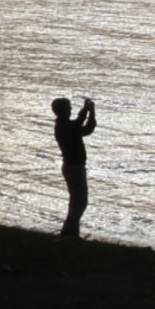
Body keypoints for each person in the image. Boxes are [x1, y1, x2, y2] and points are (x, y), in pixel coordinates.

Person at [52, 95, 96, 238]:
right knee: (80, 202)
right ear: (65, 110)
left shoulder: (62, 125)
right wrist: (91, 113)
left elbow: (77, 124)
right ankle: (68, 231)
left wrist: (85, 110)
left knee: (76, 201)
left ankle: (71, 233)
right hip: (74, 168)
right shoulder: (65, 126)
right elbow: (87, 129)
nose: (71, 109)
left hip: (71, 166)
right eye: (69, 108)